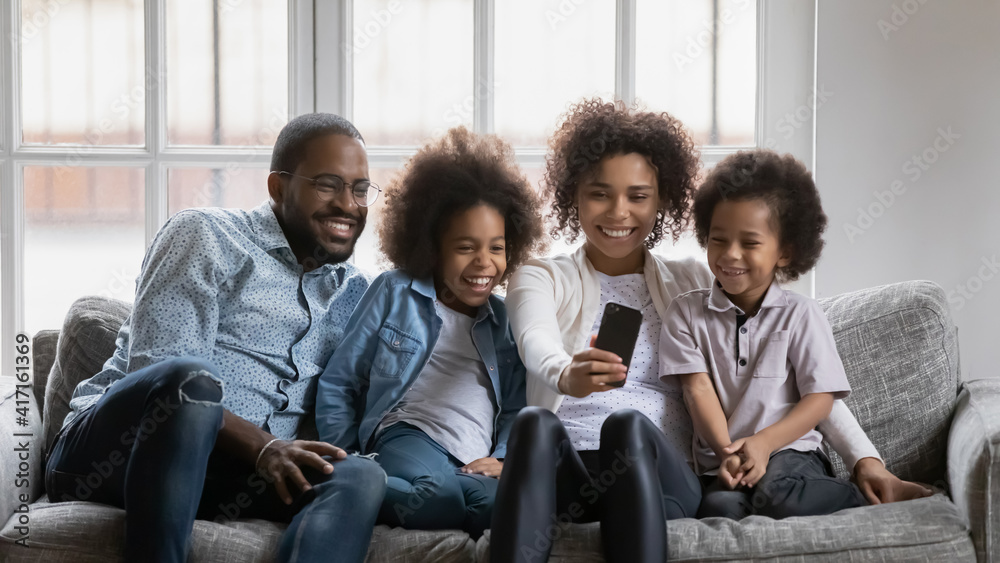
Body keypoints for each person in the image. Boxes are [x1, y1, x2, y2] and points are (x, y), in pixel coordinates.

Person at [490, 99, 931, 563]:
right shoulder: (539, 277)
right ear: (572, 194)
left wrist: (866, 460)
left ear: (662, 201)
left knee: (626, 426)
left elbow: (801, 380)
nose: (619, 212)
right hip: (570, 475)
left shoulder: (695, 283)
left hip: (660, 475)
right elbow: (535, 341)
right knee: (534, 422)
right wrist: (565, 373)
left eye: (638, 196)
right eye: (600, 193)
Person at [45, 113, 388, 563]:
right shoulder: (207, 235)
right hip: (115, 453)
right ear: (279, 188)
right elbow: (162, 375)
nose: (348, 204)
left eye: (360, 189)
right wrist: (265, 446)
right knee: (193, 380)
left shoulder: (355, 293)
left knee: (358, 476)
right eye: (328, 184)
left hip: (228, 474)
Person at [316, 127, 543, 538]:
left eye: (496, 247)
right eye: (465, 247)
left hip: (470, 459)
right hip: (408, 435)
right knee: (436, 497)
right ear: (432, 248)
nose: (484, 263)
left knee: (495, 507)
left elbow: (515, 407)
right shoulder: (396, 291)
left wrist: (505, 458)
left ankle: (415, 492)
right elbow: (340, 380)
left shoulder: (504, 320)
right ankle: (352, 482)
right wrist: (347, 456)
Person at [662, 149, 868, 519]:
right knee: (717, 507)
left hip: (789, 453)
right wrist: (729, 452)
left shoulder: (801, 314)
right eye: (718, 239)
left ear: (785, 252)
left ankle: (857, 499)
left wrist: (762, 444)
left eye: (750, 243)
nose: (730, 255)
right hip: (723, 461)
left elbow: (819, 400)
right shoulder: (685, 313)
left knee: (778, 494)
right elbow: (697, 389)